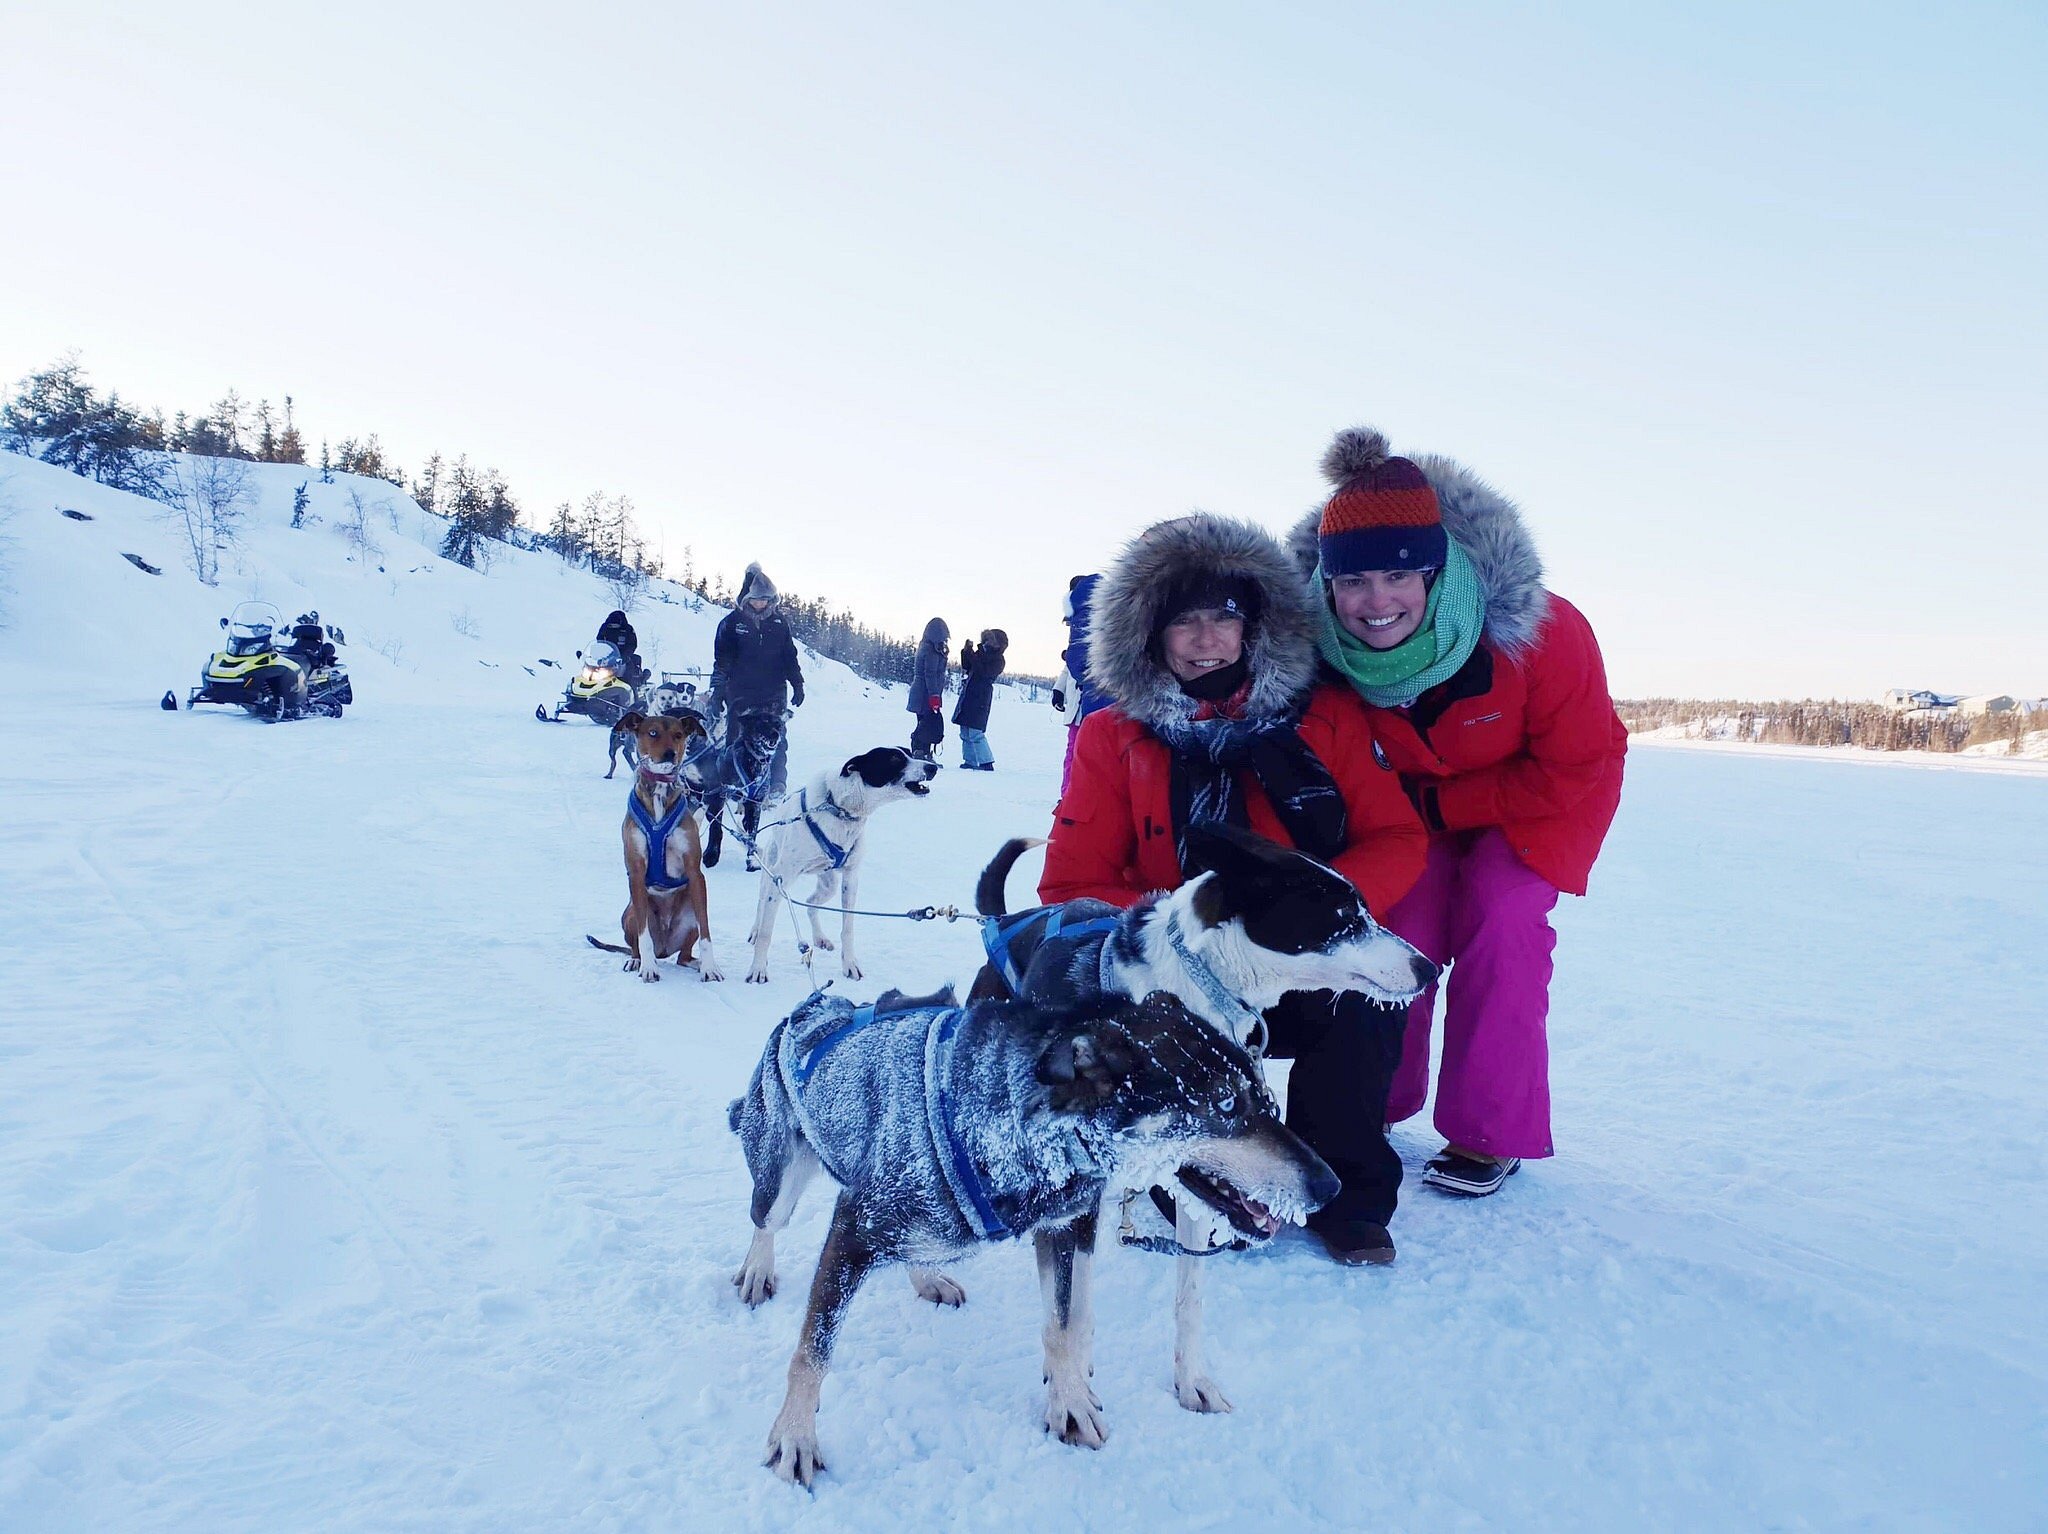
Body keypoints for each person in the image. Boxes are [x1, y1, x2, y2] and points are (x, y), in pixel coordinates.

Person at [1040, 513, 1428, 1264]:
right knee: (1129, 1012)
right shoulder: (1111, 736)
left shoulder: (1328, 717)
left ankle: (1345, 1194)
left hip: (1291, 961)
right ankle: (1174, 1177)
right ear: (1149, 635)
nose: (1206, 638)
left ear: (1256, 626)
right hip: (1170, 976)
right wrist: (1190, 933)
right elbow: (1069, 891)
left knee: (1362, 1007)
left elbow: (1399, 837)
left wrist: (1307, 911)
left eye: (1224, 616)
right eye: (1183, 619)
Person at [1292, 427, 1627, 1196]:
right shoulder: (1320, 655)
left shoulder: (1546, 630)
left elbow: (1572, 765)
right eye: (1354, 581)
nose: (1377, 602)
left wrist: (1443, 801)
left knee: (1503, 921)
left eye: (1399, 575)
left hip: (1542, 801)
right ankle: (1373, 1096)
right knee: (1392, 928)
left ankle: (1488, 1130)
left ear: (1437, 574)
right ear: (1326, 585)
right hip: (1413, 809)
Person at [704, 564, 805, 869]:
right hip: (741, 693)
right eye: (757, 599)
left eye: (767, 600)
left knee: (777, 742)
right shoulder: (732, 624)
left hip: (773, 692)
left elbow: (790, 656)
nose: (762, 604)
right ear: (747, 598)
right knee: (737, 743)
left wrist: (797, 682)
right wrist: (718, 692)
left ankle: (774, 786)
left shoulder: (779, 623)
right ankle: (736, 787)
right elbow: (721, 661)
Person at [1052, 573, 1110, 793]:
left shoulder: (1097, 624)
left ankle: (1077, 796)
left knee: (1087, 751)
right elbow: (1070, 666)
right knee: (1073, 749)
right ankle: (1067, 794)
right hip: (1078, 702)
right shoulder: (1080, 625)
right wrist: (1058, 689)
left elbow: (1079, 662)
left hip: (1094, 699)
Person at [951, 628, 1007, 770]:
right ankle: (970, 761)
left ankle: (986, 762)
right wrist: (966, 651)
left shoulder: (998, 660)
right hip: (969, 694)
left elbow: (984, 672)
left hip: (981, 697)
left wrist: (972, 654)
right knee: (965, 731)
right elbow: (967, 666)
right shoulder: (981, 652)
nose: (987, 642)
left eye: (990, 640)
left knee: (975, 732)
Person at [907, 617, 949, 761]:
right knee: (926, 723)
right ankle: (921, 753)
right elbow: (930, 674)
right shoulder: (931, 650)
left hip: (924, 692)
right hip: (925, 693)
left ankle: (923, 753)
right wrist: (934, 696)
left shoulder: (928, 647)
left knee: (926, 723)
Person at [595, 608, 646, 686]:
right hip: (607, 657)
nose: (613, 626)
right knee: (592, 671)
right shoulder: (605, 627)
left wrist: (625, 655)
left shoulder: (628, 629)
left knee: (628, 673)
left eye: (615, 625)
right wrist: (599, 653)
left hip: (623, 657)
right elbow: (599, 640)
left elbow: (632, 644)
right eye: (611, 625)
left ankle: (632, 692)